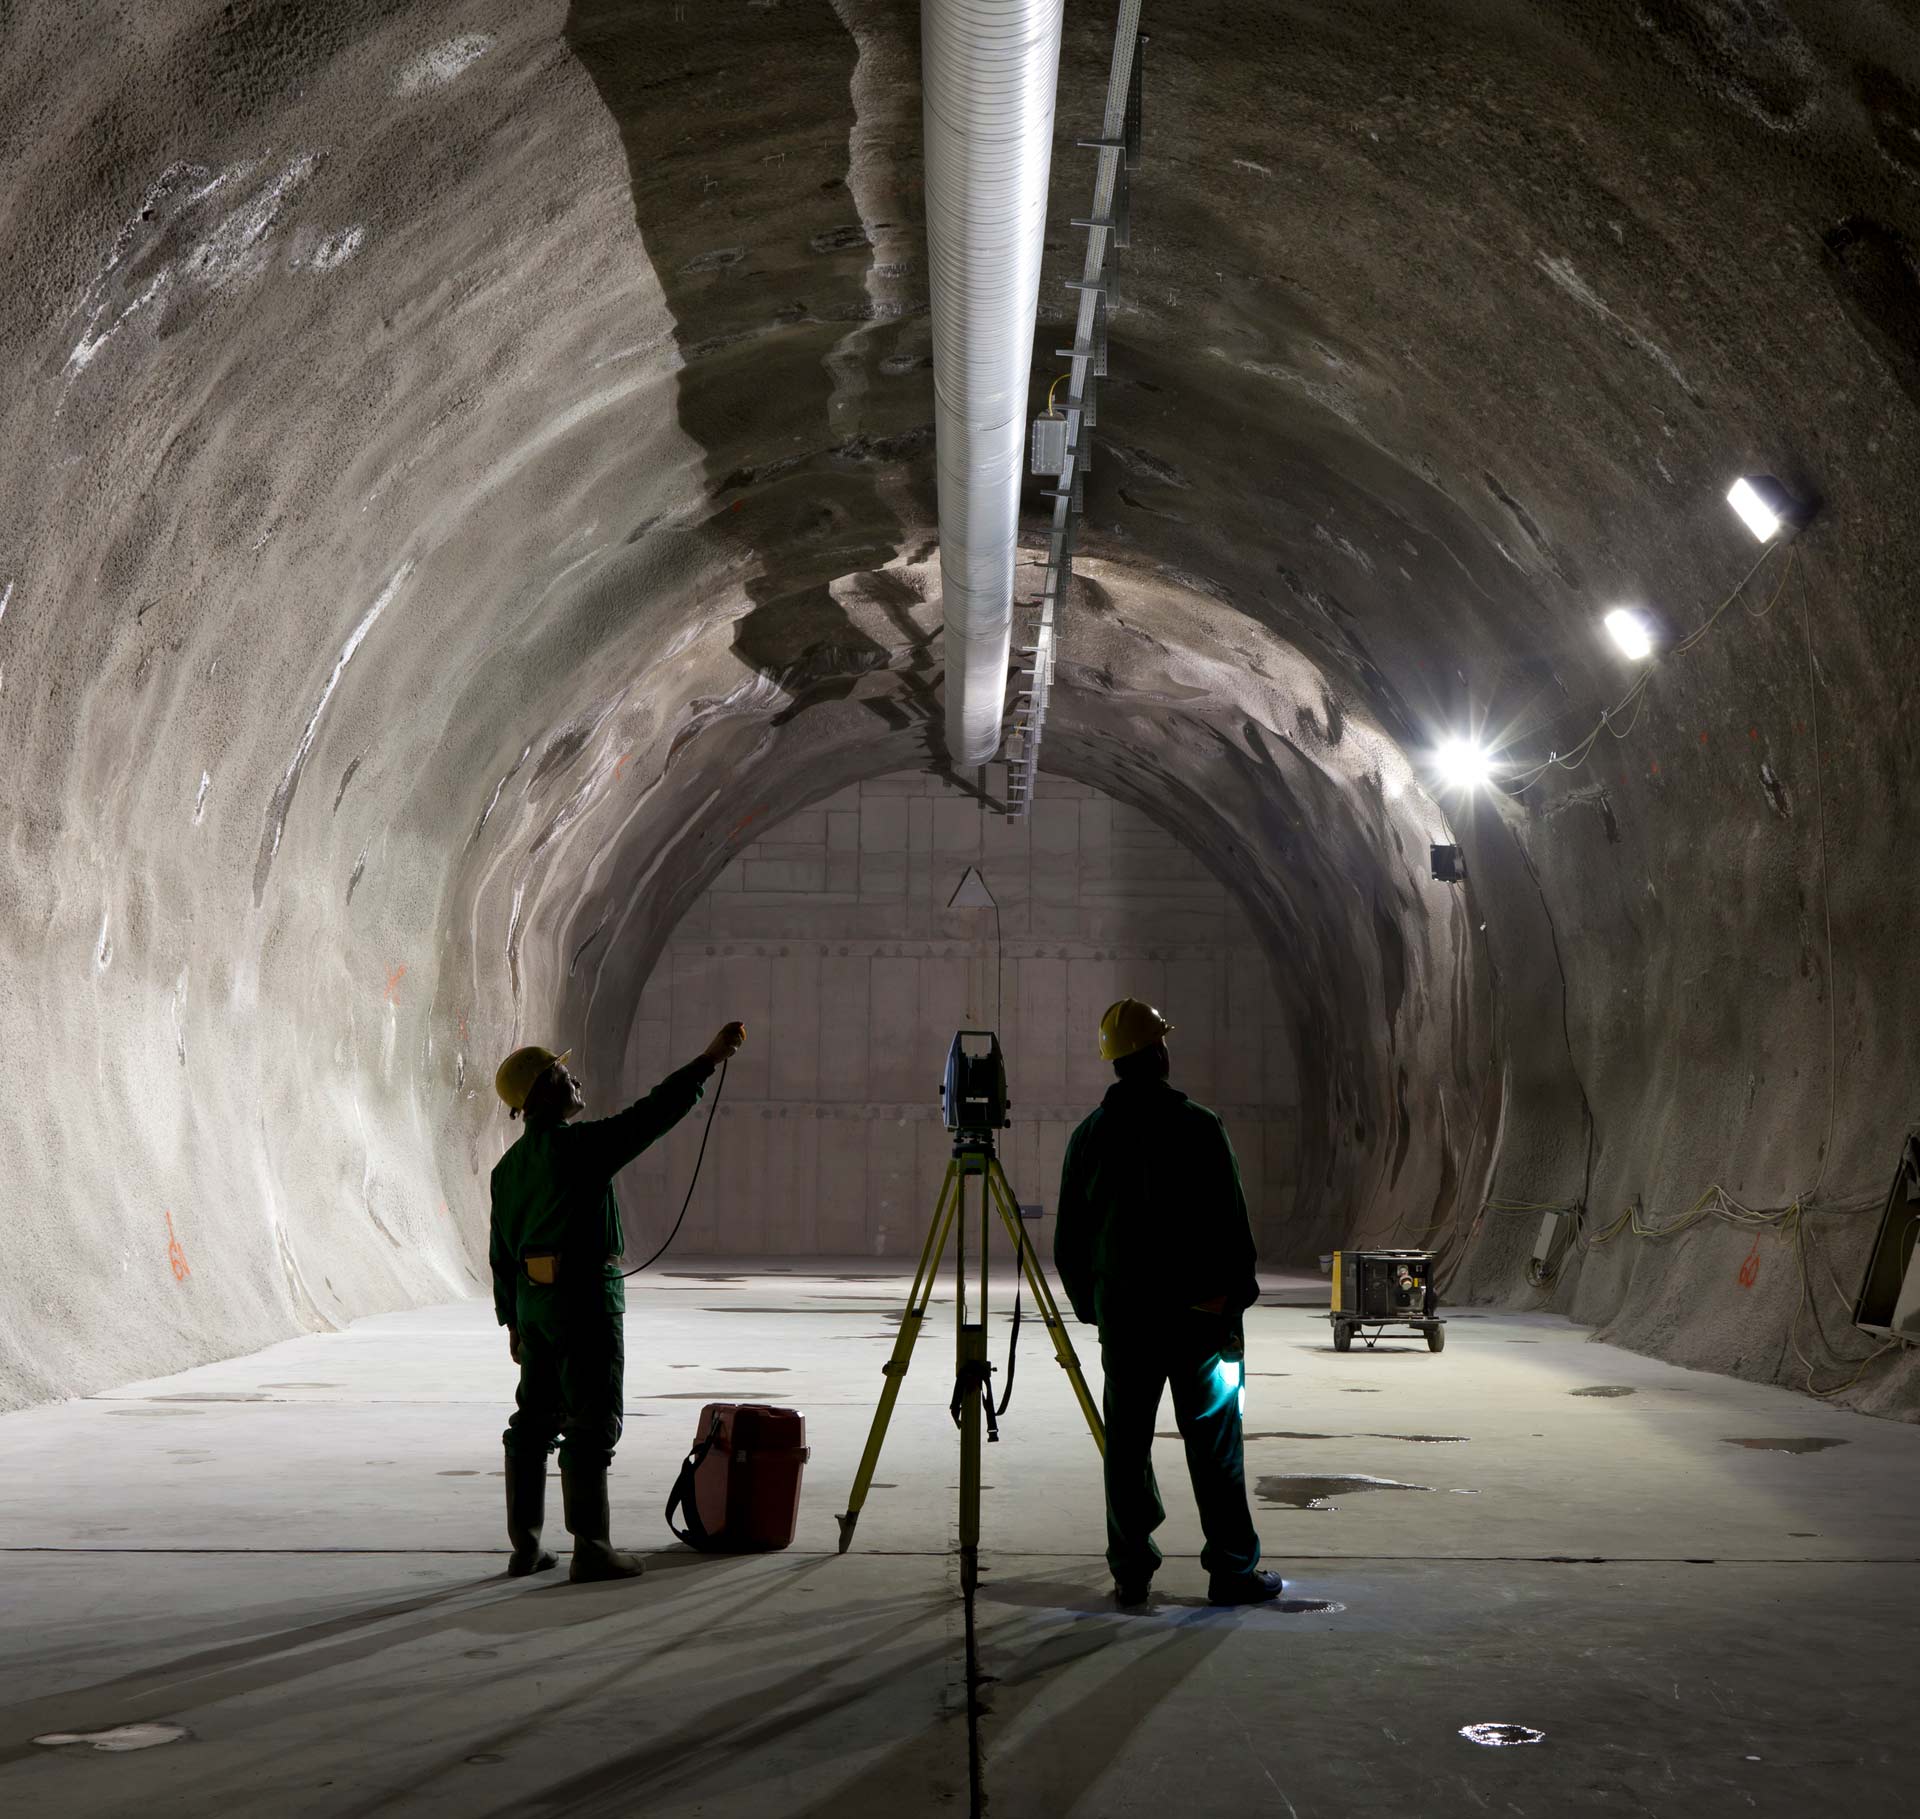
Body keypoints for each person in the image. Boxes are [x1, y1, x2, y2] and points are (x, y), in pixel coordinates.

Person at [489, 1021, 747, 1583]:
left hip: (535, 1313)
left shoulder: (505, 1172)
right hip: (586, 1307)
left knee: (532, 1424)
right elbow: (652, 1115)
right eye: (561, 1073)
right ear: (542, 1094)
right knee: (591, 1424)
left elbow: (501, 1257)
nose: (573, 1077)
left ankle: (526, 1547)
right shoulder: (581, 1149)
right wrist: (707, 1058)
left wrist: (513, 1321)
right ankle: (591, 1547)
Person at [1053, 998, 1282, 1609]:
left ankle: (1131, 1571)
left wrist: (1094, 1306)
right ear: (1158, 1053)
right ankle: (1232, 1570)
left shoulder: (1090, 1137)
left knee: (1126, 1447)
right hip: (1198, 1319)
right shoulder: (1199, 1126)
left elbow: (1069, 1241)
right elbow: (1233, 1226)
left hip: (1125, 1322)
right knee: (1214, 1443)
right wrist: (1234, 1302)